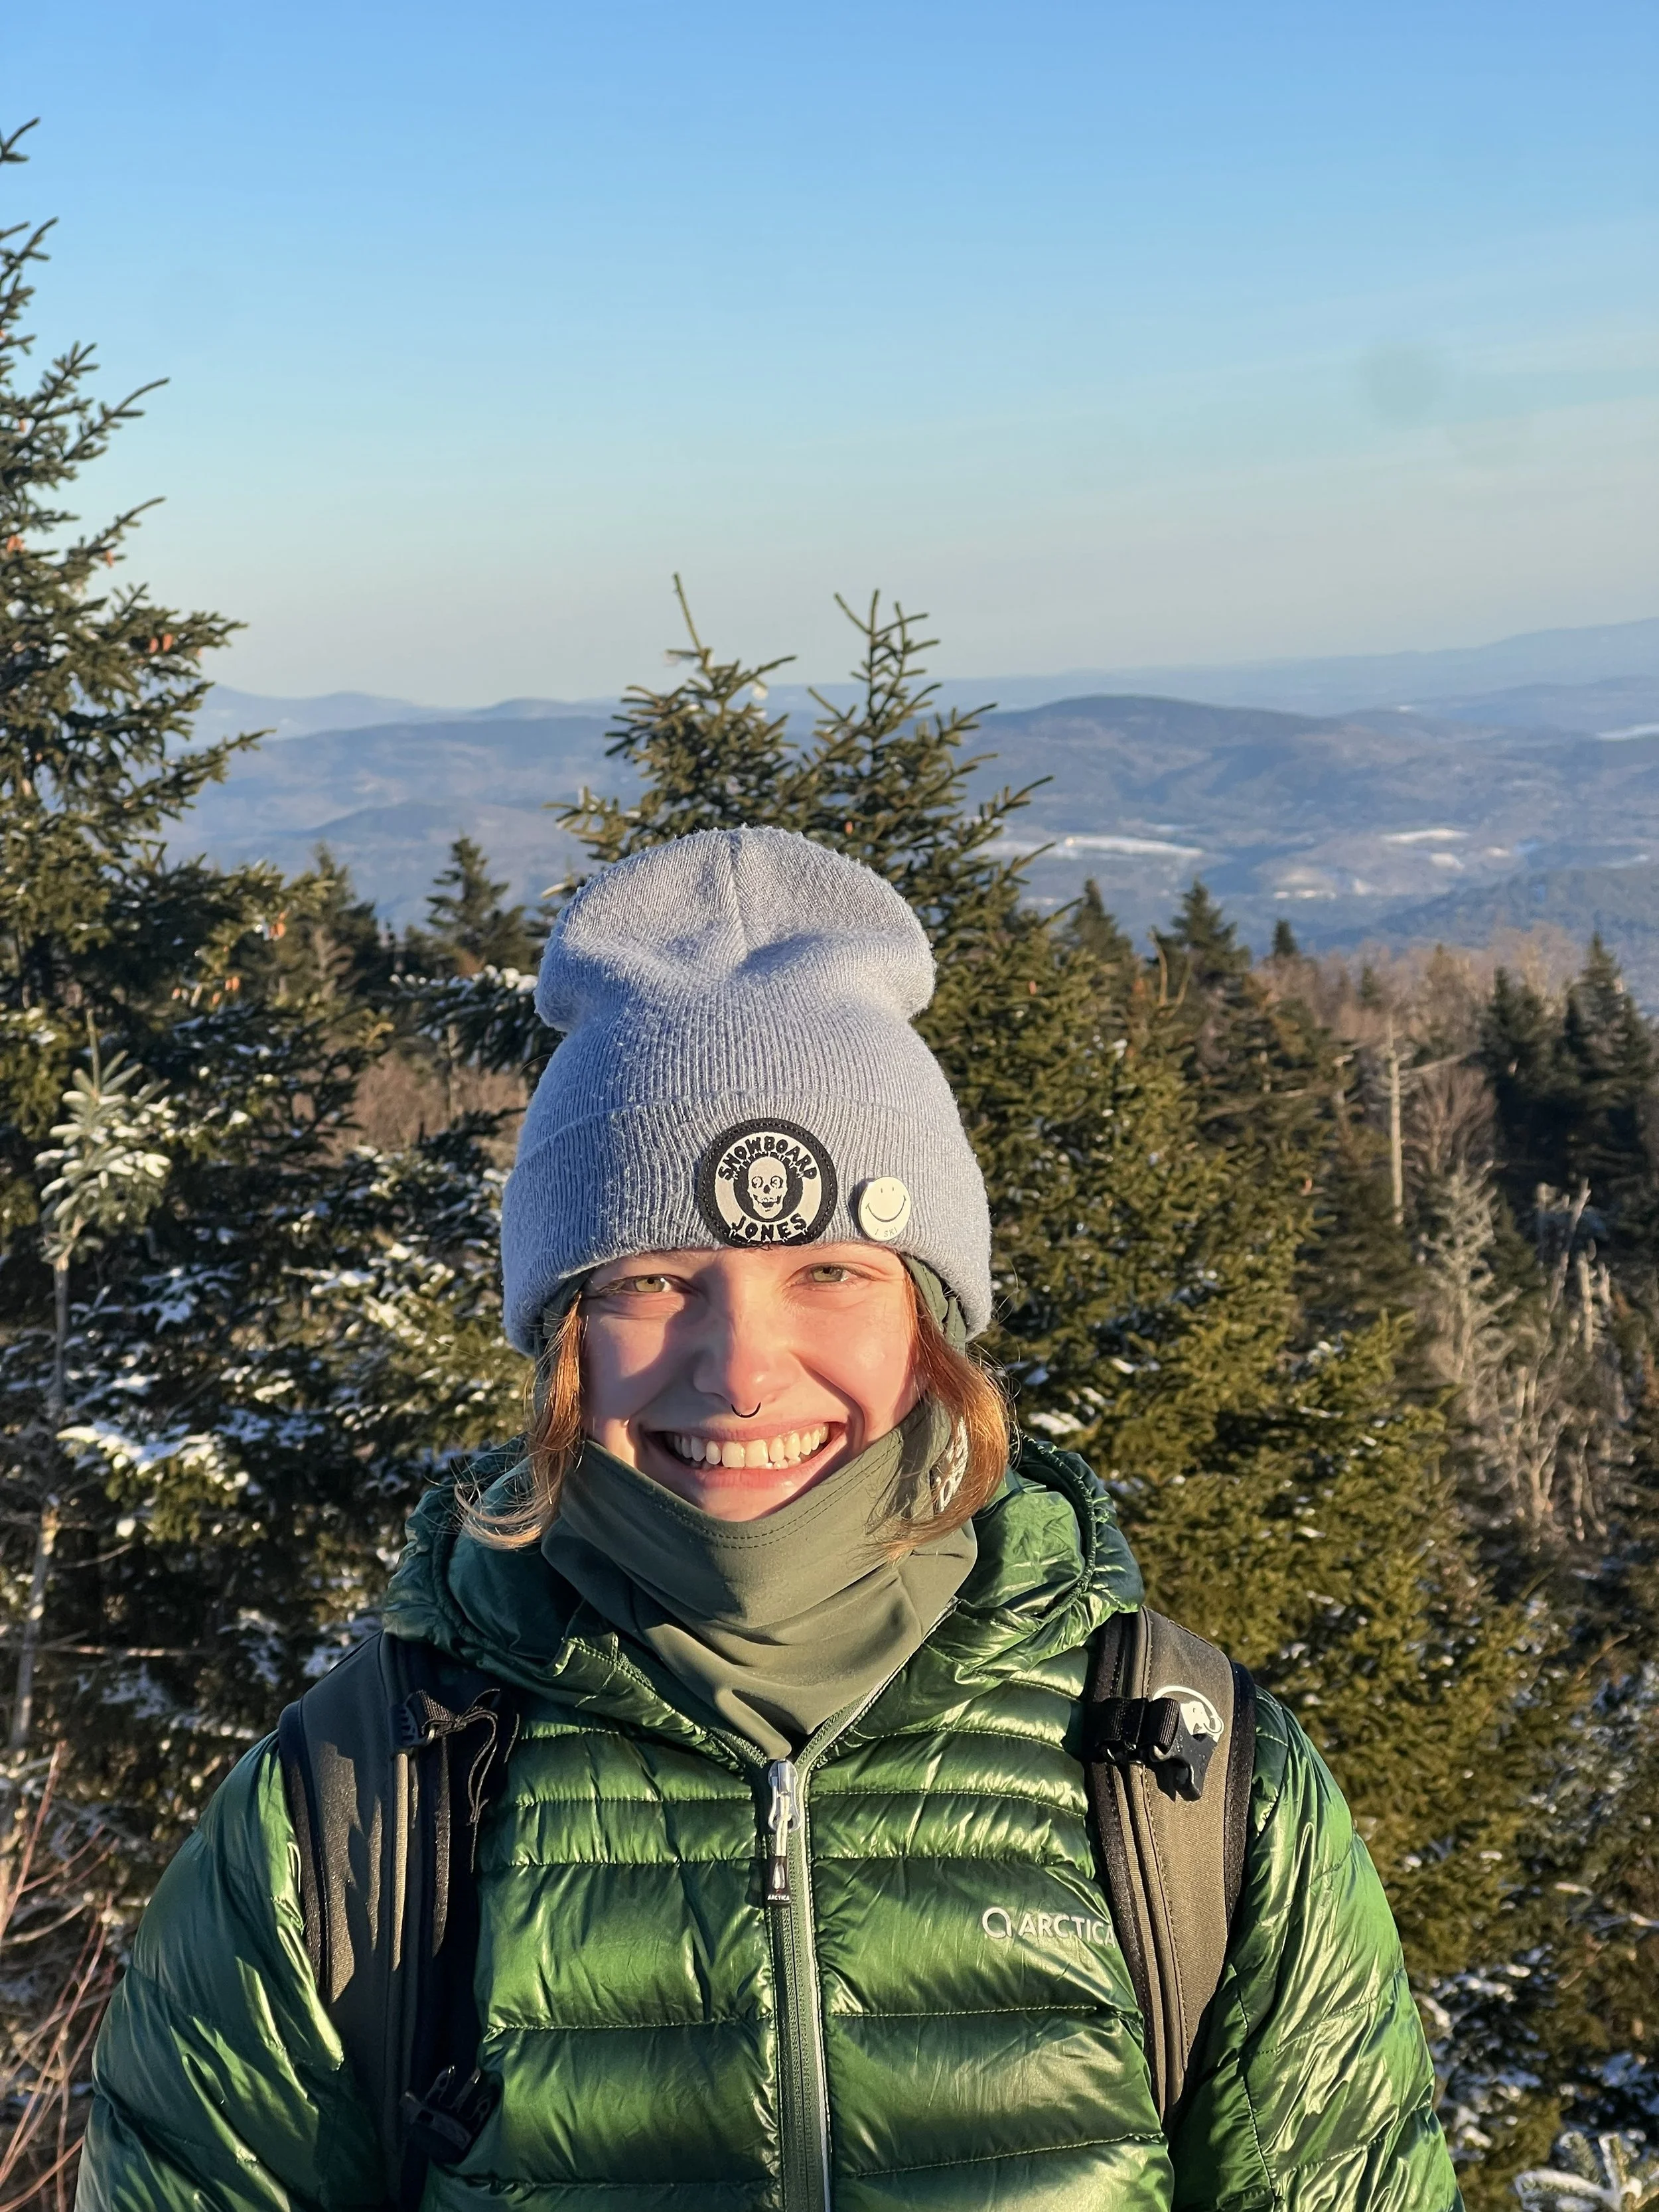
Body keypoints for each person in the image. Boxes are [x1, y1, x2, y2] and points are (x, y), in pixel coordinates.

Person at [79, 828, 1458, 2211]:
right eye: (657, 1280)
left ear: (931, 1321)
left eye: (829, 1270)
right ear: (562, 1330)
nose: (741, 1368)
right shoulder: (348, 1817)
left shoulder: (1189, 1790)